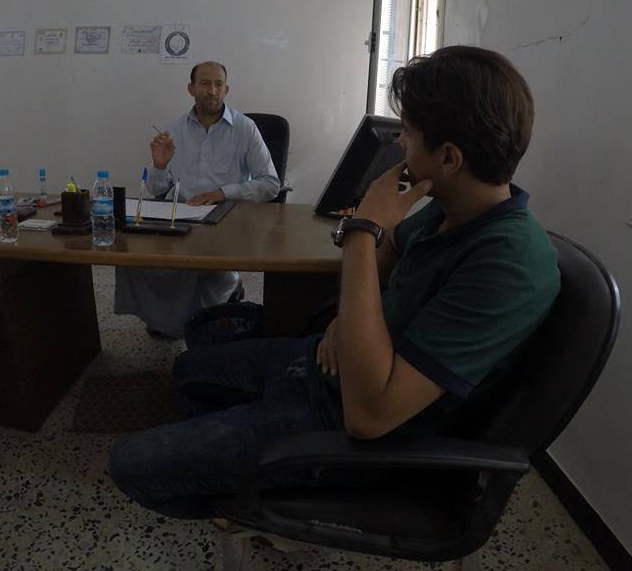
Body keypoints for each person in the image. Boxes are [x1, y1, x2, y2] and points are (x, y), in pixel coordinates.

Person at [108, 45, 561, 518]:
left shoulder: (508, 262)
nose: (400, 145)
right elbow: (392, 251)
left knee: (131, 464)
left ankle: (272, 501)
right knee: (187, 368)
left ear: (448, 158)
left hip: (343, 425)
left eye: (408, 133)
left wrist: (364, 228)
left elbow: (369, 418)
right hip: (324, 366)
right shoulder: (452, 210)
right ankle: (241, 448)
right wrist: (346, 322)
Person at [114, 61, 280, 338]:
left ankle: (221, 295)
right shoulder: (176, 128)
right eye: (204, 83)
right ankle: (167, 319)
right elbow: (157, 189)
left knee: (207, 266)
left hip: (226, 217)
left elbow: (271, 184)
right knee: (132, 255)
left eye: (218, 84)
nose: (212, 90)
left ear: (226, 90)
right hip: (182, 216)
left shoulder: (245, 128)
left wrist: (222, 193)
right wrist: (159, 166)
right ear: (191, 89)